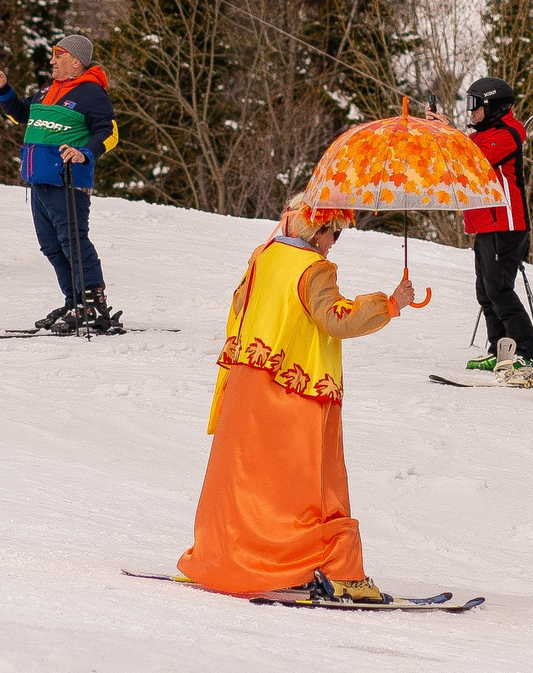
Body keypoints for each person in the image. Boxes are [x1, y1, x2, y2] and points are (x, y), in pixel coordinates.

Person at [176, 200, 413, 602]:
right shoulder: (314, 269)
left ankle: (226, 556)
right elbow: (335, 319)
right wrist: (390, 305)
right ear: (316, 229)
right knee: (306, 482)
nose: (334, 242)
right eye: (332, 232)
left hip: (247, 380)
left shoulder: (265, 255)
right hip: (296, 390)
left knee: (244, 477)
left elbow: (240, 303)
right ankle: (324, 568)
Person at [0, 33, 122, 334]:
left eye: (58, 55)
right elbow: (23, 115)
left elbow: (109, 132)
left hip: (68, 180)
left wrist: (85, 152)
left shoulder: (92, 93)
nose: (51, 60)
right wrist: (4, 89)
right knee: (51, 246)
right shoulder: (48, 90)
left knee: (73, 242)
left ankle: (93, 304)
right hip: (39, 180)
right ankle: (74, 301)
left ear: (76, 61)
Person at [458, 76, 533, 372]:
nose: (470, 112)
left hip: (505, 225)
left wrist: (450, 136)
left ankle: (530, 351)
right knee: (485, 291)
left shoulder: (507, 133)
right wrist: (441, 130)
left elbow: (474, 162)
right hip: (486, 226)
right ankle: (500, 348)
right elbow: (459, 154)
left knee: (500, 290)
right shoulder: (482, 135)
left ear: (492, 106)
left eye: (475, 105)